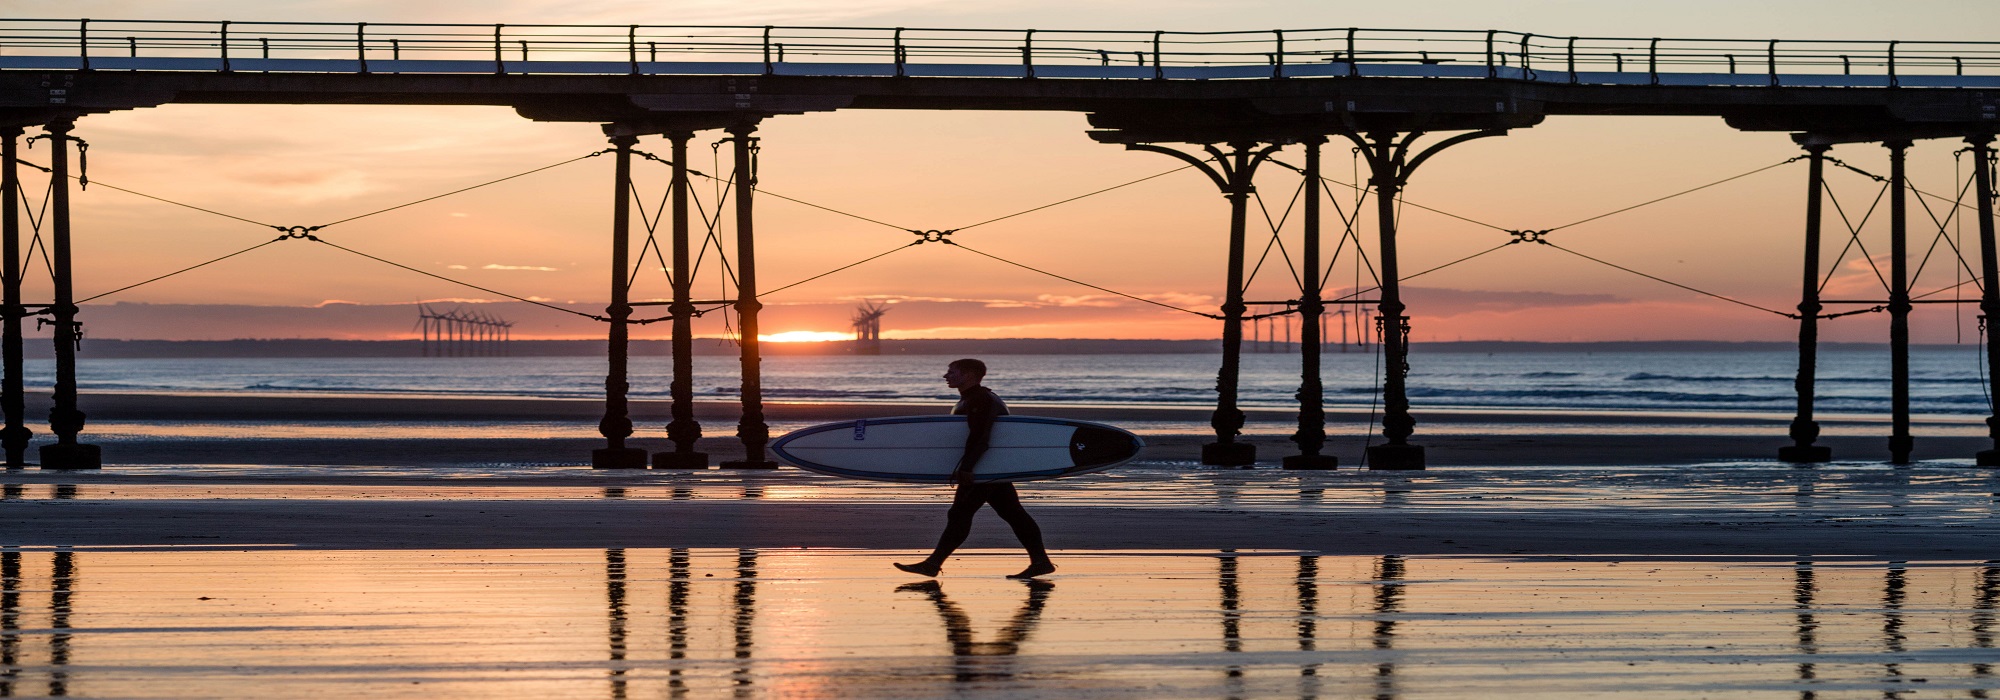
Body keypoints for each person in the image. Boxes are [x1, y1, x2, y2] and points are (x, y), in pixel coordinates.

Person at [895, 359, 1056, 579]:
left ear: (969, 374)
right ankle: (1041, 562)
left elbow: (981, 436)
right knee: (1013, 513)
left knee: (960, 513)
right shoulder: (974, 398)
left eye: (952, 372)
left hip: (983, 468)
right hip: (990, 467)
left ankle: (932, 564)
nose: (946, 376)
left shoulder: (981, 399)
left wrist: (969, 467)